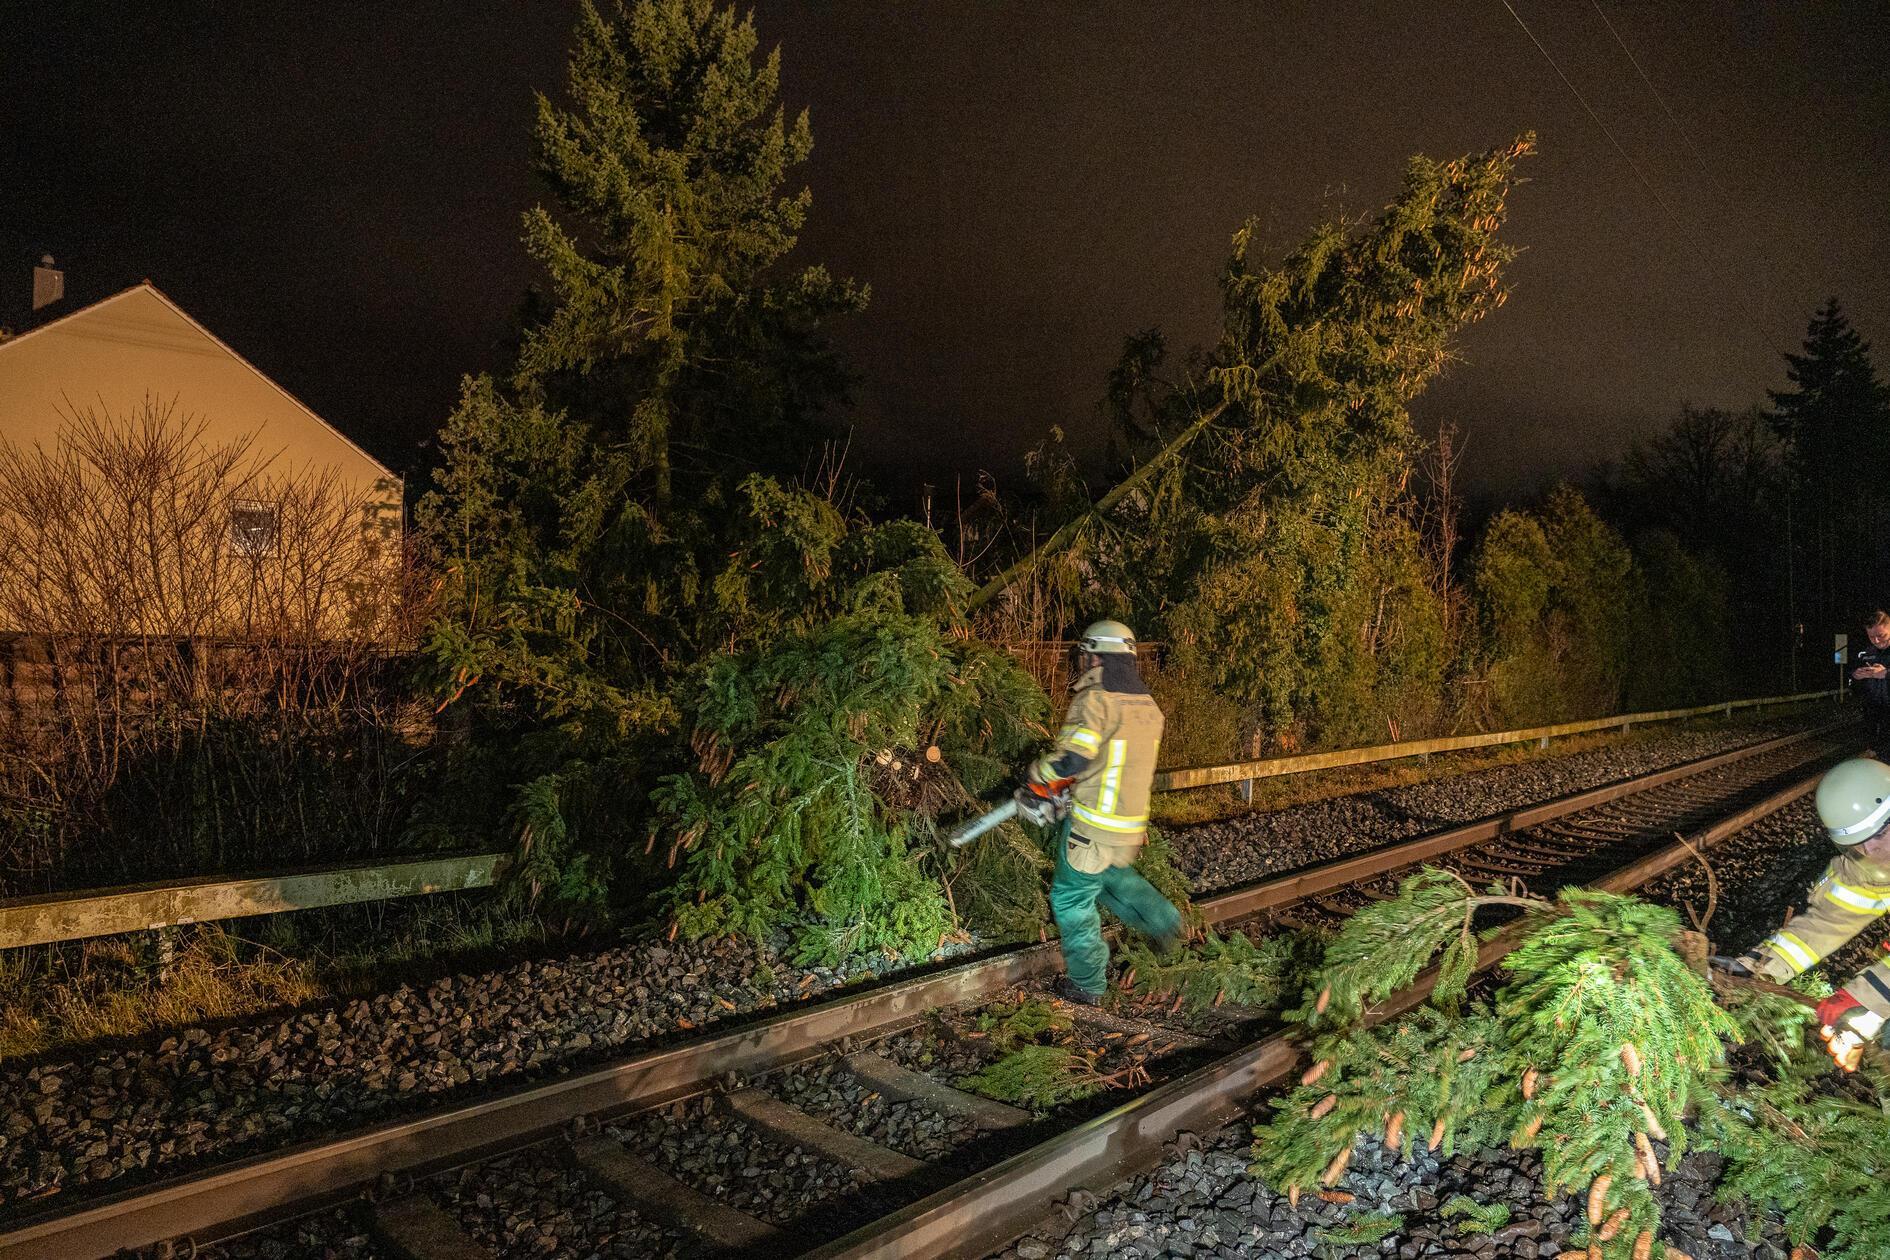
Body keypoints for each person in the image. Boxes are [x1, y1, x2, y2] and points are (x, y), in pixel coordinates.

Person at [1024, 619, 1182, 1006]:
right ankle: (1165, 922)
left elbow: (1072, 757)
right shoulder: (1146, 706)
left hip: (1092, 823)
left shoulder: (1096, 700)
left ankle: (1087, 983)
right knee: (1110, 876)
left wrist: (1038, 780)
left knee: (1071, 898)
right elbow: (1111, 761)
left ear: (1095, 655)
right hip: (1127, 826)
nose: (1084, 663)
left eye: (1085, 656)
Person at [1723, 757, 1890, 1069]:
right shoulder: (1869, 867)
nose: (1869, 851)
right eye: (1857, 844)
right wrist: (1756, 967)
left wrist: (1866, 996)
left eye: (1877, 836)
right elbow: (1827, 923)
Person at [1850, 610, 1890, 751]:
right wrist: (1856, 676)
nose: (1876, 641)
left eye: (1881, 635)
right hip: (1872, 713)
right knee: (1875, 751)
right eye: (1871, 637)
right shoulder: (1865, 652)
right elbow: (1853, 684)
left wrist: (1886, 673)